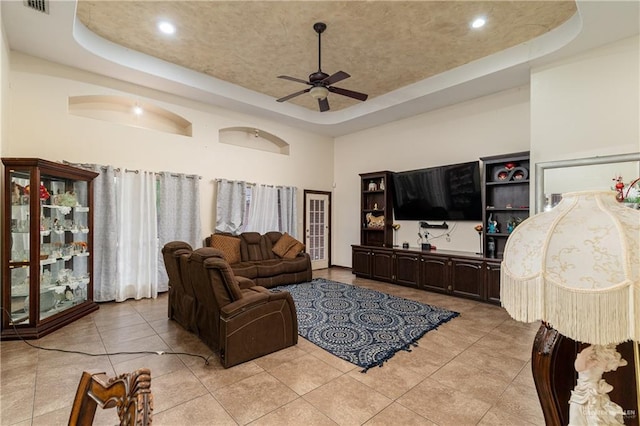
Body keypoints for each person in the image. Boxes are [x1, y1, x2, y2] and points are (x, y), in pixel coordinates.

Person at [568, 344, 628, 426]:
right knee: (579, 418)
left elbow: (615, 364)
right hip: (582, 394)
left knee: (597, 418)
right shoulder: (588, 356)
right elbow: (578, 367)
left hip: (595, 394)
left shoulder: (603, 358)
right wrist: (584, 354)